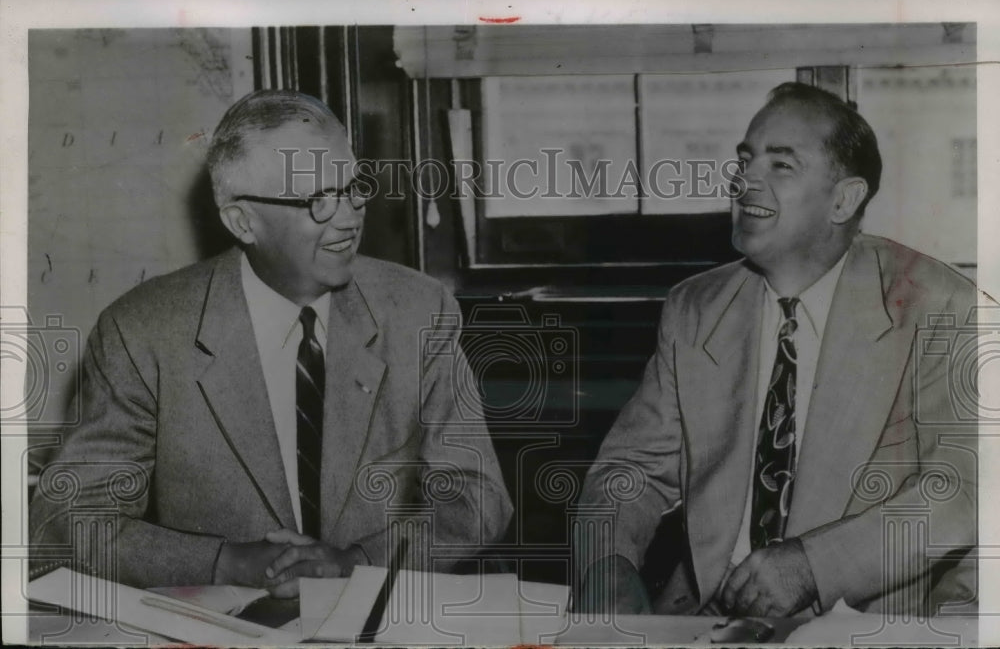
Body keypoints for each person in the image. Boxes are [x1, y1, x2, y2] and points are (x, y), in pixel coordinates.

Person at [30, 89, 512, 597]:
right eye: (317, 199)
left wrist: (355, 563)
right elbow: (67, 519)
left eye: (354, 187)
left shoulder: (419, 310)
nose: (349, 217)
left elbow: (478, 498)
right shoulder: (143, 331)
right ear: (242, 220)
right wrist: (224, 562)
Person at [574, 82, 980, 618]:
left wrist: (812, 566)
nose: (745, 182)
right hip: (704, 618)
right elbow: (631, 470)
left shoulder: (939, 305)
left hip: (863, 623)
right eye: (745, 160)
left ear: (844, 199)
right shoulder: (694, 309)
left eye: (781, 165)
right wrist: (608, 565)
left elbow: (963, 490)